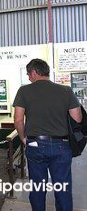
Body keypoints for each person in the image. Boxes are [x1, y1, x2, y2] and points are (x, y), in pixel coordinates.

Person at [13, 58, 82, 211]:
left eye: (29, 74)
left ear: (35, 72)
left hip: (35, 144)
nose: (28, 78)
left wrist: (24, 138)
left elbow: (18, 119)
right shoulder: (66, 90)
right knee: (62, 188)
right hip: (62, 145)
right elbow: (77, 118)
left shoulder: (24, 91)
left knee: (37, 188)